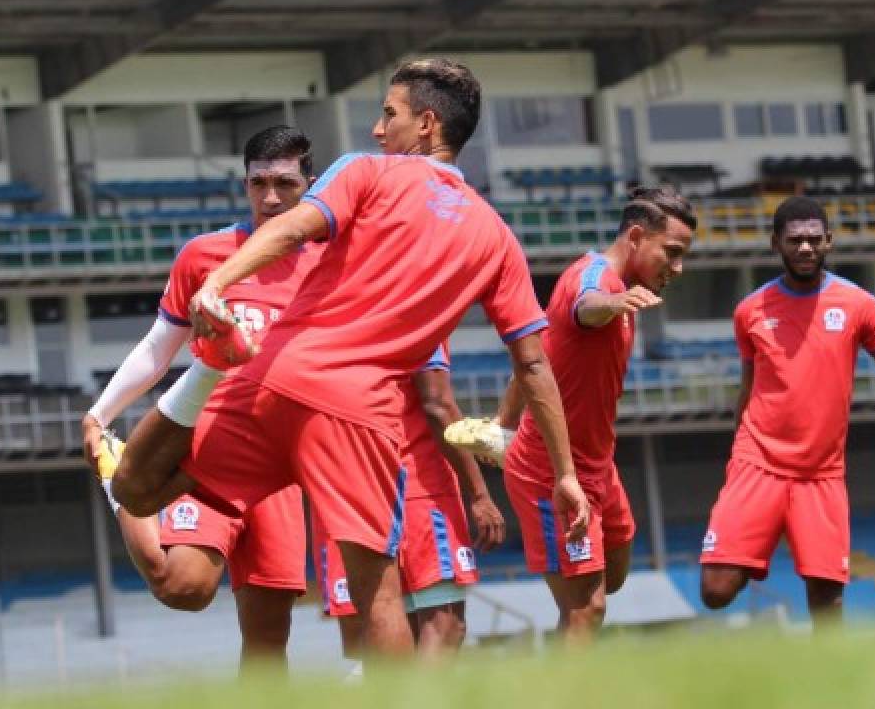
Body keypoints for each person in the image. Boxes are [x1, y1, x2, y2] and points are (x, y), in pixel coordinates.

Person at [112, 58, 589, 659]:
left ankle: (204, 368)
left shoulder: (366, 172)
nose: (376, 129)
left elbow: (290, 231)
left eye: (389, 113)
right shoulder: (496, 238)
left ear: (427, 124)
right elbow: (535, 365)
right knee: (382, 599)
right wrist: (566, 475)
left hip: (272, 373)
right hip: (357, 412)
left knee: (138, 490)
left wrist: (217, 283)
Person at [81, 125, 318, 665]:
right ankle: (121, 481)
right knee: (184, 587)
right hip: (209, 447)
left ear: (311, 184)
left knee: (268, 640)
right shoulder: (205, 255)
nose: (272, 197)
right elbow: (158, 347)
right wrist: (100, 413)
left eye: (285, 183)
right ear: (244, 185)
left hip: (283, 466)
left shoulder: (329, 265)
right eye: (259, 183)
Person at [698, 196, 875, 626]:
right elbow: (749, 387)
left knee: (827, 602)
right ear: (775, 244)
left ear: (829, 241)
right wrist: (738, 460)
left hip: (820, 473)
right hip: (758, 463)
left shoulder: (859, 306)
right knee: (715, 591)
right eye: (794, 241)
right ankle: (753, 541)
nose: (805, 248)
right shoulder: (750, 311)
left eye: (813, 239)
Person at [493, 188, 695, 642]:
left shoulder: (624, 288)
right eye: (673, 253)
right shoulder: (596, 280)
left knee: (612, 574)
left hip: (599, 467)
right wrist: (614, 304)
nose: (678, 268)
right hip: (550, 471)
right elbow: (589, 306)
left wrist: (501, 424)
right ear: (638, 236)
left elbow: (538, 355)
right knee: (587, 605)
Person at [315, 344, 499, 667]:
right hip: (415, 485)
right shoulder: (417, 306)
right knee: (444, 626)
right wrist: (480, 493)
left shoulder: (334, 313)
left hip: (344, 487)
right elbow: (437, 404)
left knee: (383, 639)